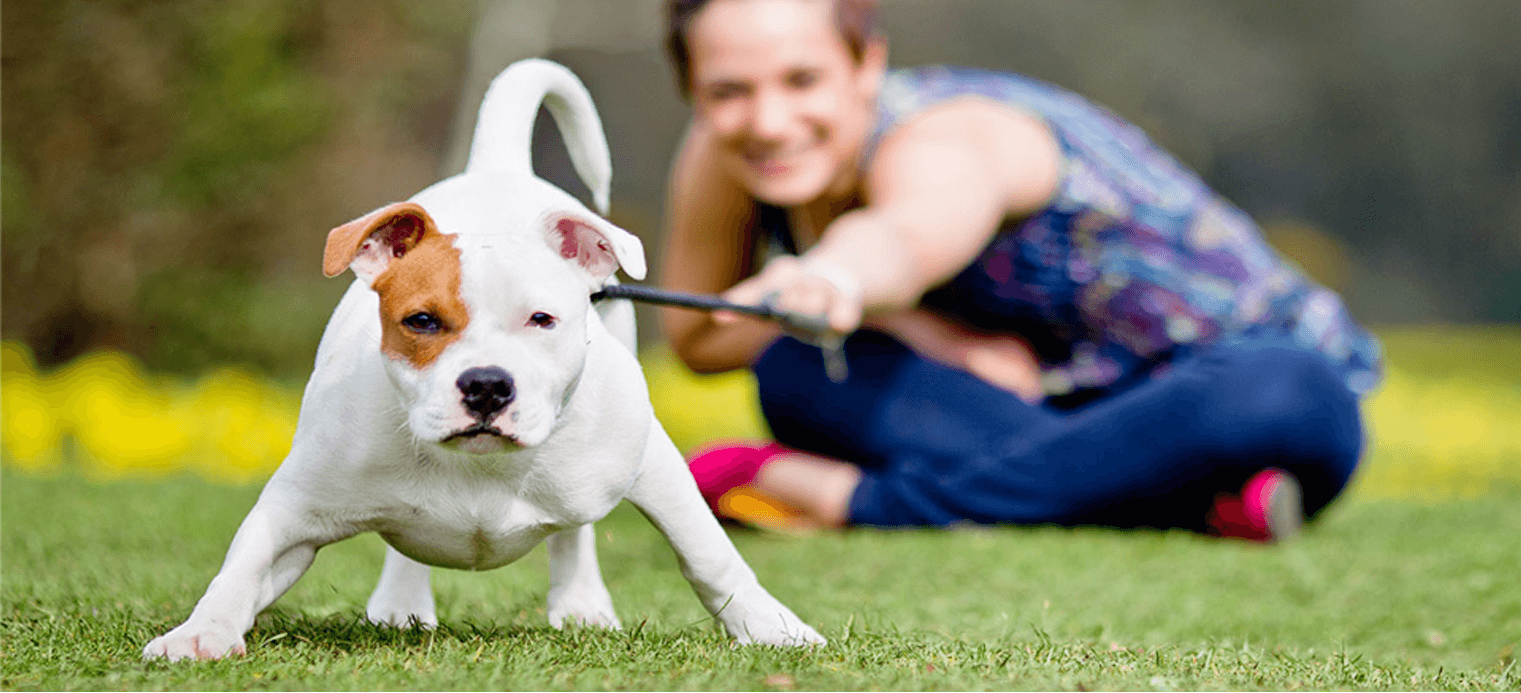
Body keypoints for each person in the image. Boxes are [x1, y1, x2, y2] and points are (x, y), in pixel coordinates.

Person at [657, 0, 1380, 540]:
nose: (768, 121)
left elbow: (907, 237)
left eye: (802, 80)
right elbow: (698, 337)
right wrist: (909, 325)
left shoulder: (947, 136)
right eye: (727, 92)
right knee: (795, 368)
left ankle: (860, 501)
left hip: (1215, 395)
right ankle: (1195, 508)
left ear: (866, 63)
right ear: (691, 90)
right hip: (1040, 415)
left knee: (1285, 383)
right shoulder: (729, 155)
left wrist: (839, 280)